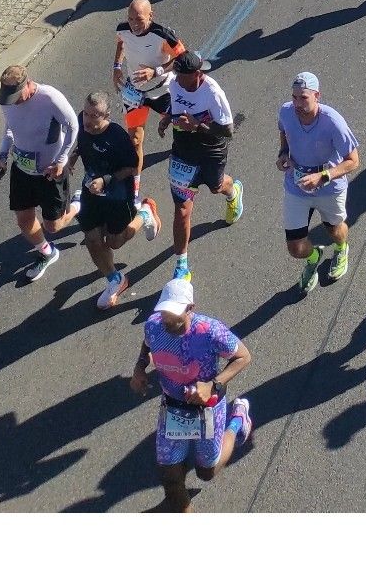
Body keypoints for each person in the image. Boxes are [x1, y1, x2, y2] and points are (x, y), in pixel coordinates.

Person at [130, 277, 253, 512]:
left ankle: (238, 422)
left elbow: (244, 357)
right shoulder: (154, 325)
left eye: (174, 315)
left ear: (190, 309)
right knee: (170, 476)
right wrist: (139, 367)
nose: (168, 320)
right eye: (165, 313)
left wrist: (212, 385)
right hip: (172, 407)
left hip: (206, 409)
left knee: (206, 472)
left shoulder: (210, 331)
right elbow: (147, 345)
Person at [158, 50, 243, 276]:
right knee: (182, 210)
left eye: (181, 75)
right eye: (175, 73)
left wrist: (197, 125)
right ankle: (181, 265)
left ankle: (233, 191)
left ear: (196, 74)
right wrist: (167, 118)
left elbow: (227, 131)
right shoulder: (176, 84)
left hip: (210, 149)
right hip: (183, 150)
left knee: (216, 187)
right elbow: (175, 102)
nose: (176, 78)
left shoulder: (212, 93)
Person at [0, 64, 80, 282]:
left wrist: (61, 160)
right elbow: (10, 128)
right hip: (22, 169)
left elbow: (72, 126)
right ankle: (47, 253)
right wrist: (3, 155)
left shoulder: (49, 98)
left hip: (50, 171)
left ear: (28, 84)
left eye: (16, 95)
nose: (13, 101)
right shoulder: (7, 101)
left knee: (54, 226)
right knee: (24, 219)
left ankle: (79, 203)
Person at [278, 70, 360, 294]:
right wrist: (283, 153)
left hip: (329, 188)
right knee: (295, 247)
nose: (297, 103)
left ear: (317, 96)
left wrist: (322, 177)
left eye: (303, 97)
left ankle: (341, 249)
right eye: (294, 97)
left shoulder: (333, 122)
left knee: (334, 229)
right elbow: (284, 132)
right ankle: (314, 256)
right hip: (296, 186)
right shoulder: (286, 112)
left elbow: (353, 161)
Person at [77, 90, 160, 309]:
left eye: (94, 116)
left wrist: (105, 180)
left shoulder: (117, 137)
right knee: (92, 239)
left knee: (114, 241)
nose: (87, 120)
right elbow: (79, 143)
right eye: (86, 113)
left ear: (106, 117)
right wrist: (69, 161)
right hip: (90, 192)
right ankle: (115, 279)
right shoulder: (81, 122)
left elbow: (133, 167)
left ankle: (145, 213)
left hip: (117, 195)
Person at [114, 0, 186, 181]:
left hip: (162, 91)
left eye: (139, 19)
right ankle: (135, 189)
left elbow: (183, 58)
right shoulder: (123, 29)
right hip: (135, 92)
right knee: (134, 140)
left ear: (150, 16)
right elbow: (122, 42)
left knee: (182, 128)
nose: (134, 24)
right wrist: (116, 67)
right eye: (130, 19)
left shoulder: (162, 35)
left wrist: (155, 71)